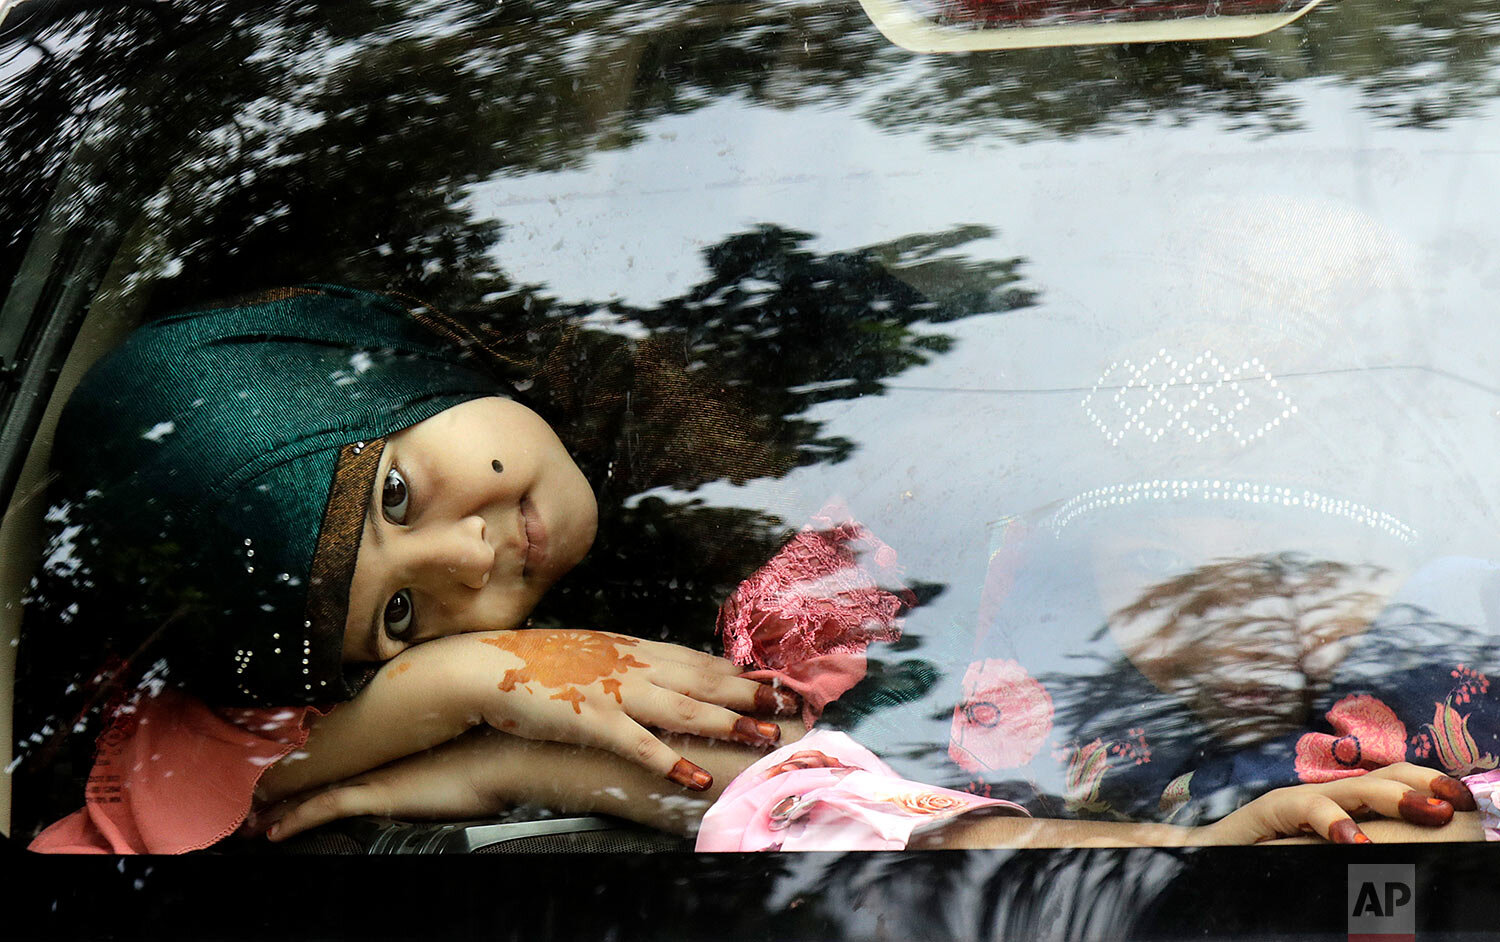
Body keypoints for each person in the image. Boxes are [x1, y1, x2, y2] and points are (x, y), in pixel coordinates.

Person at [14, 285, 1480, 853]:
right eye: (400, 609)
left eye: (400, 486)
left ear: (385, 369)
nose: (473, 561)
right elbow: (168, 816)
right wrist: (434, 696)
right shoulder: (522, 682)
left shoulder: (759, 392)